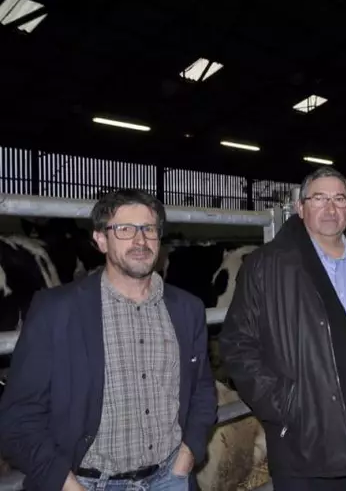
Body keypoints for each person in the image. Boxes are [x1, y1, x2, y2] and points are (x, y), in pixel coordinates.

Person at [0, 189, 217, 491]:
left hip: (171, 478)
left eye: (149, 229)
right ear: (101, 239)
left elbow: (202, 391)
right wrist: (66, 483)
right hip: (87, 482)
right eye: (125, 229)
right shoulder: (56, 311)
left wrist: (187, 455)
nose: (140, 241)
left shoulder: (188, 309)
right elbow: (18, 417)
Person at [219, 166, 346, 491]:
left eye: (339, 199)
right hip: (302, 432)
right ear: (301, 207)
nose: (330, 208)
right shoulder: (267, 266)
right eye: (319, 198)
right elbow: (237, 344)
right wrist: (285, 404)